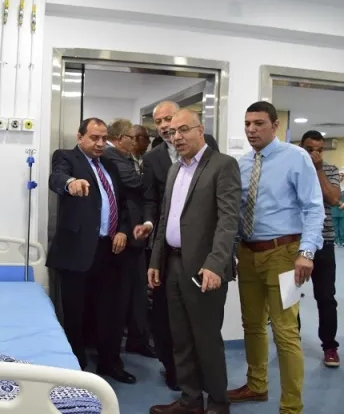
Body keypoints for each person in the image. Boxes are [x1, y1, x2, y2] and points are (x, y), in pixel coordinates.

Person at [135, 109, 241, 414]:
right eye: (172, 133)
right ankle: (190, 399)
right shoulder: (175, 170)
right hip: (173, 264)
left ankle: (218, 403)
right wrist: (156, 260)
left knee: (206, 339)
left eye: (183, 130)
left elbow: (228, 221)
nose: (177, 137)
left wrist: (216, 264)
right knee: (180, 337)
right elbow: (166, 218)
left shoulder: (223, 165)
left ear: (200, 130)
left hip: (204, 267)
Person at [228, 101, 325, 414]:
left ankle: (291, 406)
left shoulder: (296, 158)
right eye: (247, 124)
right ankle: (256, 385)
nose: (251, 130)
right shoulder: (242, 164)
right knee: (252, 324)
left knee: (285, 331)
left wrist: (307, 253)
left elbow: (314, 207)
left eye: (258, 123)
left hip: (284, 255)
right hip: (248, 253)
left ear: (275, 125)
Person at [46, 117, 136, 384]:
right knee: (75, 313)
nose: (100, 143)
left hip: (109, 249)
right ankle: (76, 367)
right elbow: (57, 178)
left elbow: (122, 202)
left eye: (104, 138)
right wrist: (70, 183)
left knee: (110, 311)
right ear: (80, 137)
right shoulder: (66, 157)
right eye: (94, 138)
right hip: (77, 250)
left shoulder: (109, 165)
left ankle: (110, 363)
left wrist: (123, 230)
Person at [138, 100, 219, 390]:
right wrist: (149, 226)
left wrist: (217, 257)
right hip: (166, 250)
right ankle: (175, 373)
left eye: (169, 120)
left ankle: (206, 383)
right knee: (167, 319)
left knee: (201, 322)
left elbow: (220, 206)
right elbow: (152, 201)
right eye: (159, 122)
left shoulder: (210, 149)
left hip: (200, 251)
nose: (165, 127)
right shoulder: (155, 159)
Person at [103, 119, 155, 358]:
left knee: (137, 291)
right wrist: (153, 174)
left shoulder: (124, 158)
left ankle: (138, 338)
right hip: (124, 235)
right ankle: (121, 346)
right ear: (120, 138)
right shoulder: (113, 157)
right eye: (130, 138)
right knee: (124, 293)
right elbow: (135, 183)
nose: (134, 142)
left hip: (135, 234)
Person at [299, 130, 342, 367]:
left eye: (319, 149)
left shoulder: (330, 170)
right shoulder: (293, 168)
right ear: (301, 147)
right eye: (309, 149)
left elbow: (333, 198)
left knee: (326, 296)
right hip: (294, 242)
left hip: (323, 242)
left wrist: (318, 169)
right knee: (289, 296)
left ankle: (330, 347)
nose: (315, 153)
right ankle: (291, 343)